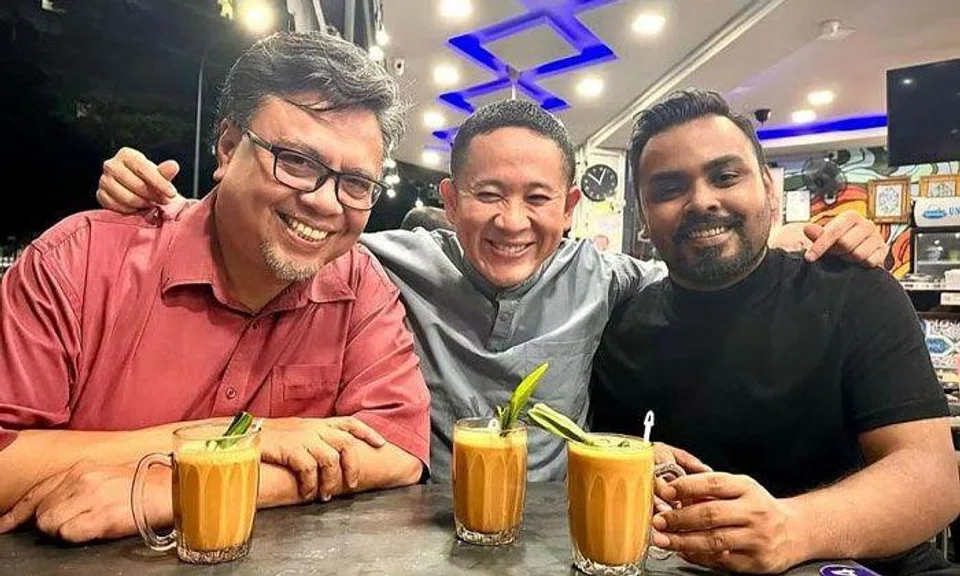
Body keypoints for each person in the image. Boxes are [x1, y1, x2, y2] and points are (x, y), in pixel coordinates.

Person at [95, 99, 887, 482]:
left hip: (558, 528)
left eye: (539, 199)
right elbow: (289, 230)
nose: (513, 222)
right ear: (448, 200)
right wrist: (173, 208)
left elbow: (705, 262)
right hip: (407, 518)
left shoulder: (609, 278)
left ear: (571, 208)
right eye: (487, 195)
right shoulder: (380, 262)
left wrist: (821, 233)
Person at [0, 31, 430, 543]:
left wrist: (180, 486)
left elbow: (399, 450)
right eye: (296, 162)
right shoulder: (81, 261)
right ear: (228, 147)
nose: (326, 202)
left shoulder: (360, 286)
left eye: (355, 183)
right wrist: (247, 436)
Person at [591, 89, 960, 575]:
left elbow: (933, 479)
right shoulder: (622, 332)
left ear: (768, 187)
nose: (702, 201)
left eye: (725, 176)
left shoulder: (854, 292)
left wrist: (793, 526)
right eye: (668, 188)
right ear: (641, 214)